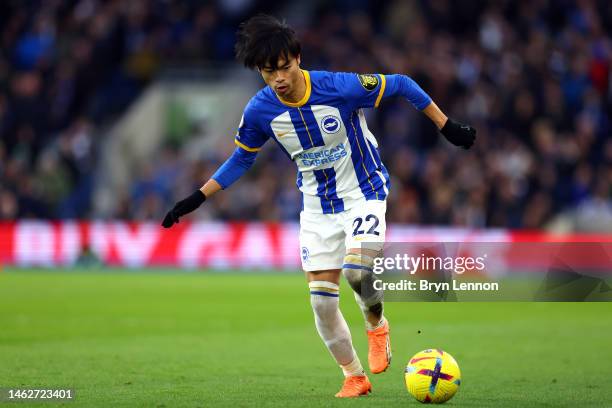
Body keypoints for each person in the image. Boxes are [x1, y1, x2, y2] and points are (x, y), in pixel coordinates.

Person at [161, 14, 475, 398]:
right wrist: (197, 197)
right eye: (267, 71)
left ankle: (377, 326)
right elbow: (242, 158)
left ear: (297, 57)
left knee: (358, 272)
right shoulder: (260, 111)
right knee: (321, 305)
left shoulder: (337, 87)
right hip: (316, 209)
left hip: (364, 191)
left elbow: (403, 85)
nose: (278, 78)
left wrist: (447, 126)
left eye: (283, 67)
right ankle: (355, 376)